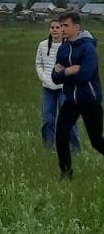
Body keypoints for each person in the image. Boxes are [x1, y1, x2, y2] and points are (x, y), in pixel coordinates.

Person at [52, 9, 104, 179]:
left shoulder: (88, 48)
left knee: (96, 141)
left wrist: (65, 73)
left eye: (66, 25)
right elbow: (55, 77)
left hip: (90, 101)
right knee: (60, 136)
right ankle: (66, 174)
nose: (63, 29)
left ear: (76, 26)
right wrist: (69, 71)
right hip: (71, 101)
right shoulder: (63, 49)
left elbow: (85, 75)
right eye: (61, 25)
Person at [35, 18, 79, 151]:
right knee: (47, 119)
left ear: (62, 30)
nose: (55, 30)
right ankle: (48, 148)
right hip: (47, 88)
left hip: (64, 88)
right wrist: (43, 77)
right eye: (52, 28)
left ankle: (74, 149)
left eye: (57, 27)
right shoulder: (42, 45)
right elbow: (38, 63)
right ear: (49, 30)